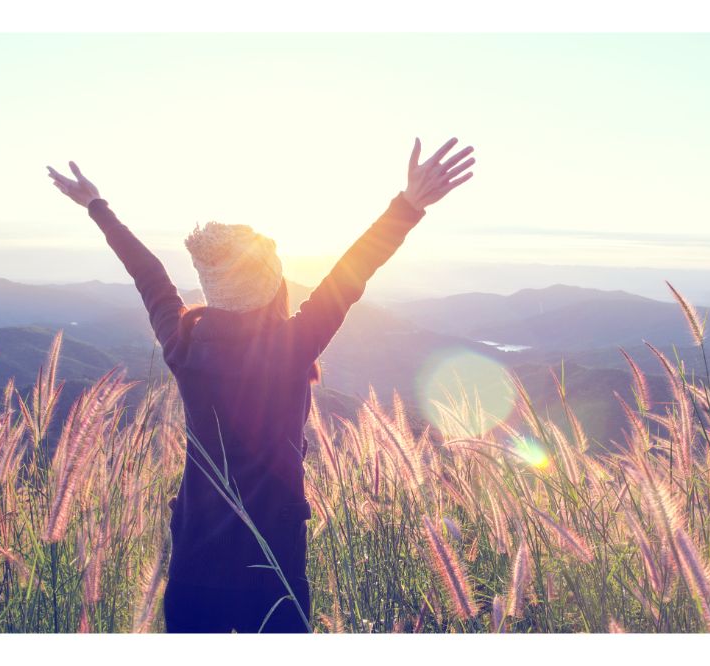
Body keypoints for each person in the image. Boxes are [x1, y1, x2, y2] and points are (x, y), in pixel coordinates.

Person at [46, 138, 475, 633]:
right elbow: (349, 276)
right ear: (274, 285)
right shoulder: (291, 347)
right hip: (275, 569)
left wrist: (97, 206)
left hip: (195, 565)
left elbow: (150, 276)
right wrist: (408, 206)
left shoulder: (184, 346)